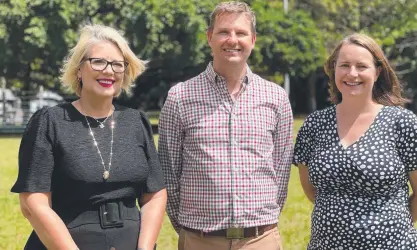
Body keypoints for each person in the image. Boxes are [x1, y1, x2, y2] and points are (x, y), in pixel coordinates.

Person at [11, 24, 167, 250]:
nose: (109, 71)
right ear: (78, 70)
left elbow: (155, 194)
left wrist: (144, 248)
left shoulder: (136, 122)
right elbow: (32, 202)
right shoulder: (49, 122)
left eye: (117, 64)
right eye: (98, 62)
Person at [158, 2, 293, 250]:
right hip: (200, 239)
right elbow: (168, 171)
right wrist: (190, 230)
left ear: (252, 39)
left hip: (259, 239)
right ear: (210, 37)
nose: (232, 40)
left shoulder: (276, 97)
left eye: (241, 33)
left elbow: (282, 169)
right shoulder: (180, 97)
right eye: (224, 32)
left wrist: (263, 222)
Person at [293, 33, 417, 249]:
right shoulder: (314, 124)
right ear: (334, 70)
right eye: (344, 65)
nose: (352, 74)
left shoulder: (403, 123)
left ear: (377, 72)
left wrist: (392, 225)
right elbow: (311, 189)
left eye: (361, 66)